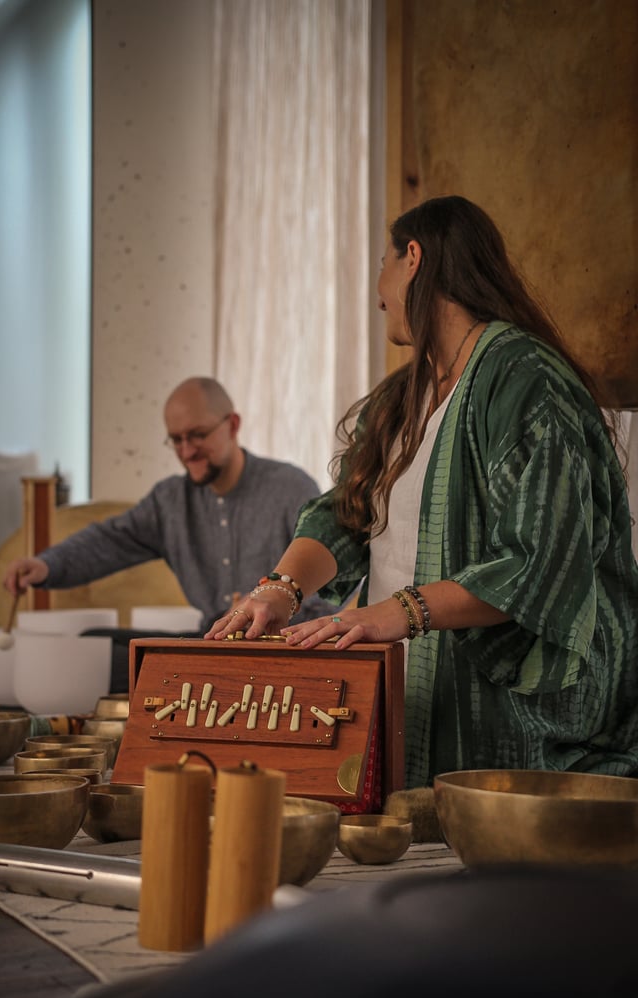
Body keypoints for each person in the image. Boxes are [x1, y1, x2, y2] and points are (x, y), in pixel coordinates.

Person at [207, 194, 638, 788]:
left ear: (414, 257)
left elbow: (541, 563)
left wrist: (397, 612)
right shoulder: (401, 397)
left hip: (519, 733)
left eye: (382, 264)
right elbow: (345, 515)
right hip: (413, 706)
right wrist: (279, 590)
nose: (377, 290)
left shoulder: (524, 379)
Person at [3, 376, 341, 692]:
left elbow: (331, 575)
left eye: (197, 435)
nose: (186, 451)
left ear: (233, 425)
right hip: (207, 644)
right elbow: (110, 540)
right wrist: (46, 565)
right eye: (176, 439)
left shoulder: (289, 487)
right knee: (94, 647)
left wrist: (273, 611)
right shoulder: (169, 501)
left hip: (282, 650)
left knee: (142, 668)